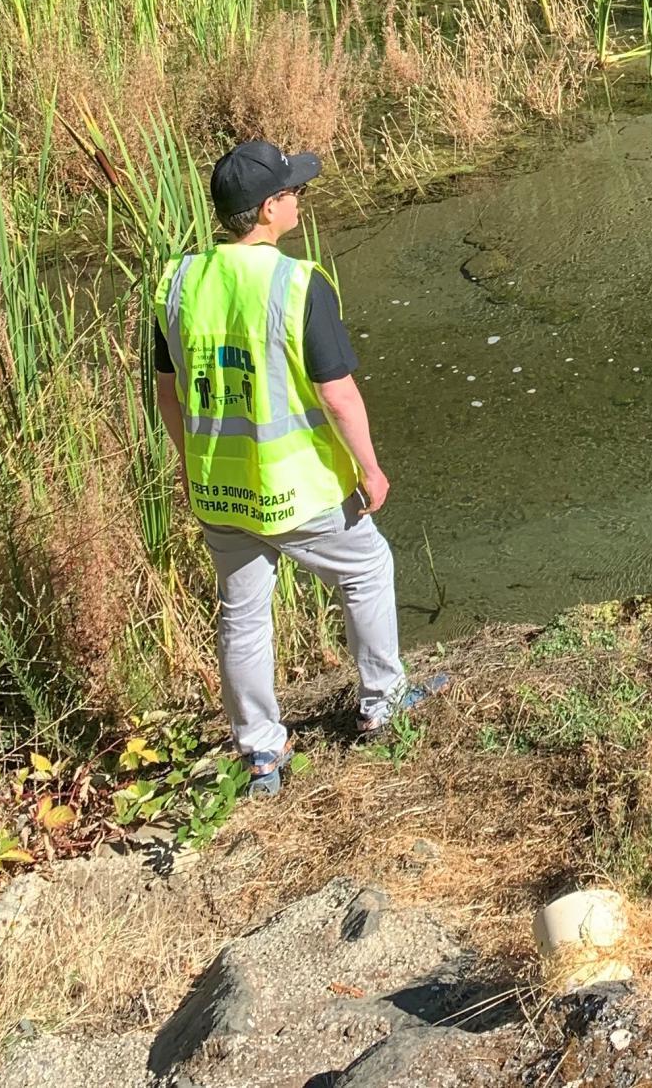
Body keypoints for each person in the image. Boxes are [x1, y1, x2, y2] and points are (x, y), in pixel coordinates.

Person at [153, 138, 445, 796]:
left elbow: (168, 394)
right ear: (265, 211)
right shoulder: (297, 283)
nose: (299, 199)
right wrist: (370, 470)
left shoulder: (177, 283)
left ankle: (260, 750)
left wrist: (192, 465)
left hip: (219, 493)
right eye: (290, 192)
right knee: (368, 569)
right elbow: (338, 394)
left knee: (242, 616)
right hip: (298, 493)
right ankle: (381, 702)